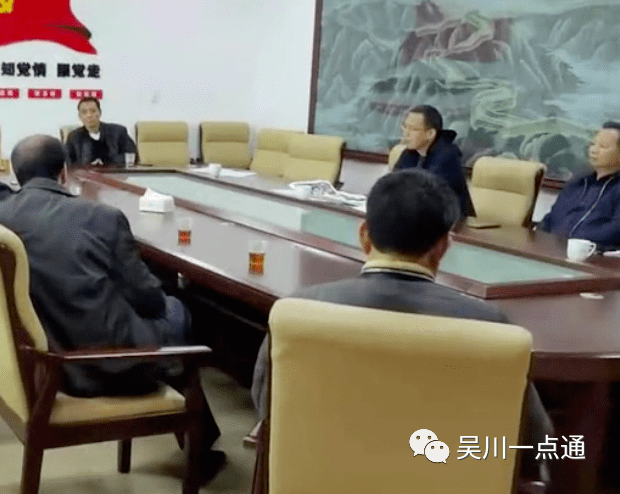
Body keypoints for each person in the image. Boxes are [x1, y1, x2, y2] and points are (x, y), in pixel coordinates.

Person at [251, 169, 552, 482]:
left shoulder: (301, 312)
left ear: (364, 235)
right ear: (443, 247)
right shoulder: (491, 330)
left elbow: (268, 406)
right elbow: (531, 442)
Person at [0, 134, 227, 481]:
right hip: (97, 366)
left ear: (16, 173)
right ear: (63, 172)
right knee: (176, 310)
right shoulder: (101, 217)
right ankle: (195, 437)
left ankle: (198, 431)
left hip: (37, 359)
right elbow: (148, 299)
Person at [538, 122, 620, 250]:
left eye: (603, 146)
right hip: (552, 249)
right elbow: (551, 218)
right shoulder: (578, 182)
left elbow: (614, 231)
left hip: (593, 256)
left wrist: (572, 242)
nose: (594, 150)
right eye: (592, 144)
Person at [393, 105, 475, 217]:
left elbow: (427, 196)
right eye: (404, 127)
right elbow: (391, 187)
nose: (406, 133)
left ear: (430, 134)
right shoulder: (409, 153)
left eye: (413, 129)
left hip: (450, 222)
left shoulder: (447, 156)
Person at [65, 97, 137, 167]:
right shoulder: (73, 137)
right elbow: (68, 162)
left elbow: (132, 155)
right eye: (84, 112)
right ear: (79, 116)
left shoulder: (118, 132)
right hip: (85, 174)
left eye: (93, 111)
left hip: (113, 173)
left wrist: (105, 162)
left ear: (100, 113)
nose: (89, 115)